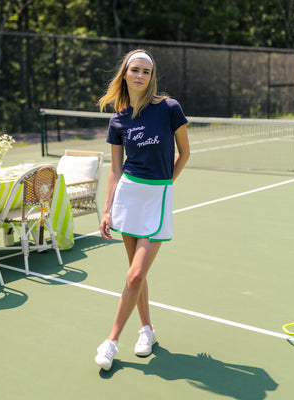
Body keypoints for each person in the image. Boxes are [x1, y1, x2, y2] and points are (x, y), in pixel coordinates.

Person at [95, 49, 190, 371]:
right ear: (125, 74)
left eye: (146, 72)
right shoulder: (118, 120)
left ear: (152, 77)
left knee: (135, 274)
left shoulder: (169, 109)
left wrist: (165, 185)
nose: (140, 76)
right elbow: (115, 170)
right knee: (138, 274)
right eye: (135, 70)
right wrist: (107, 210)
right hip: (127, 196)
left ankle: (111, 342)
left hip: (157, 197)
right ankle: (146, 329)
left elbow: (185, 153)